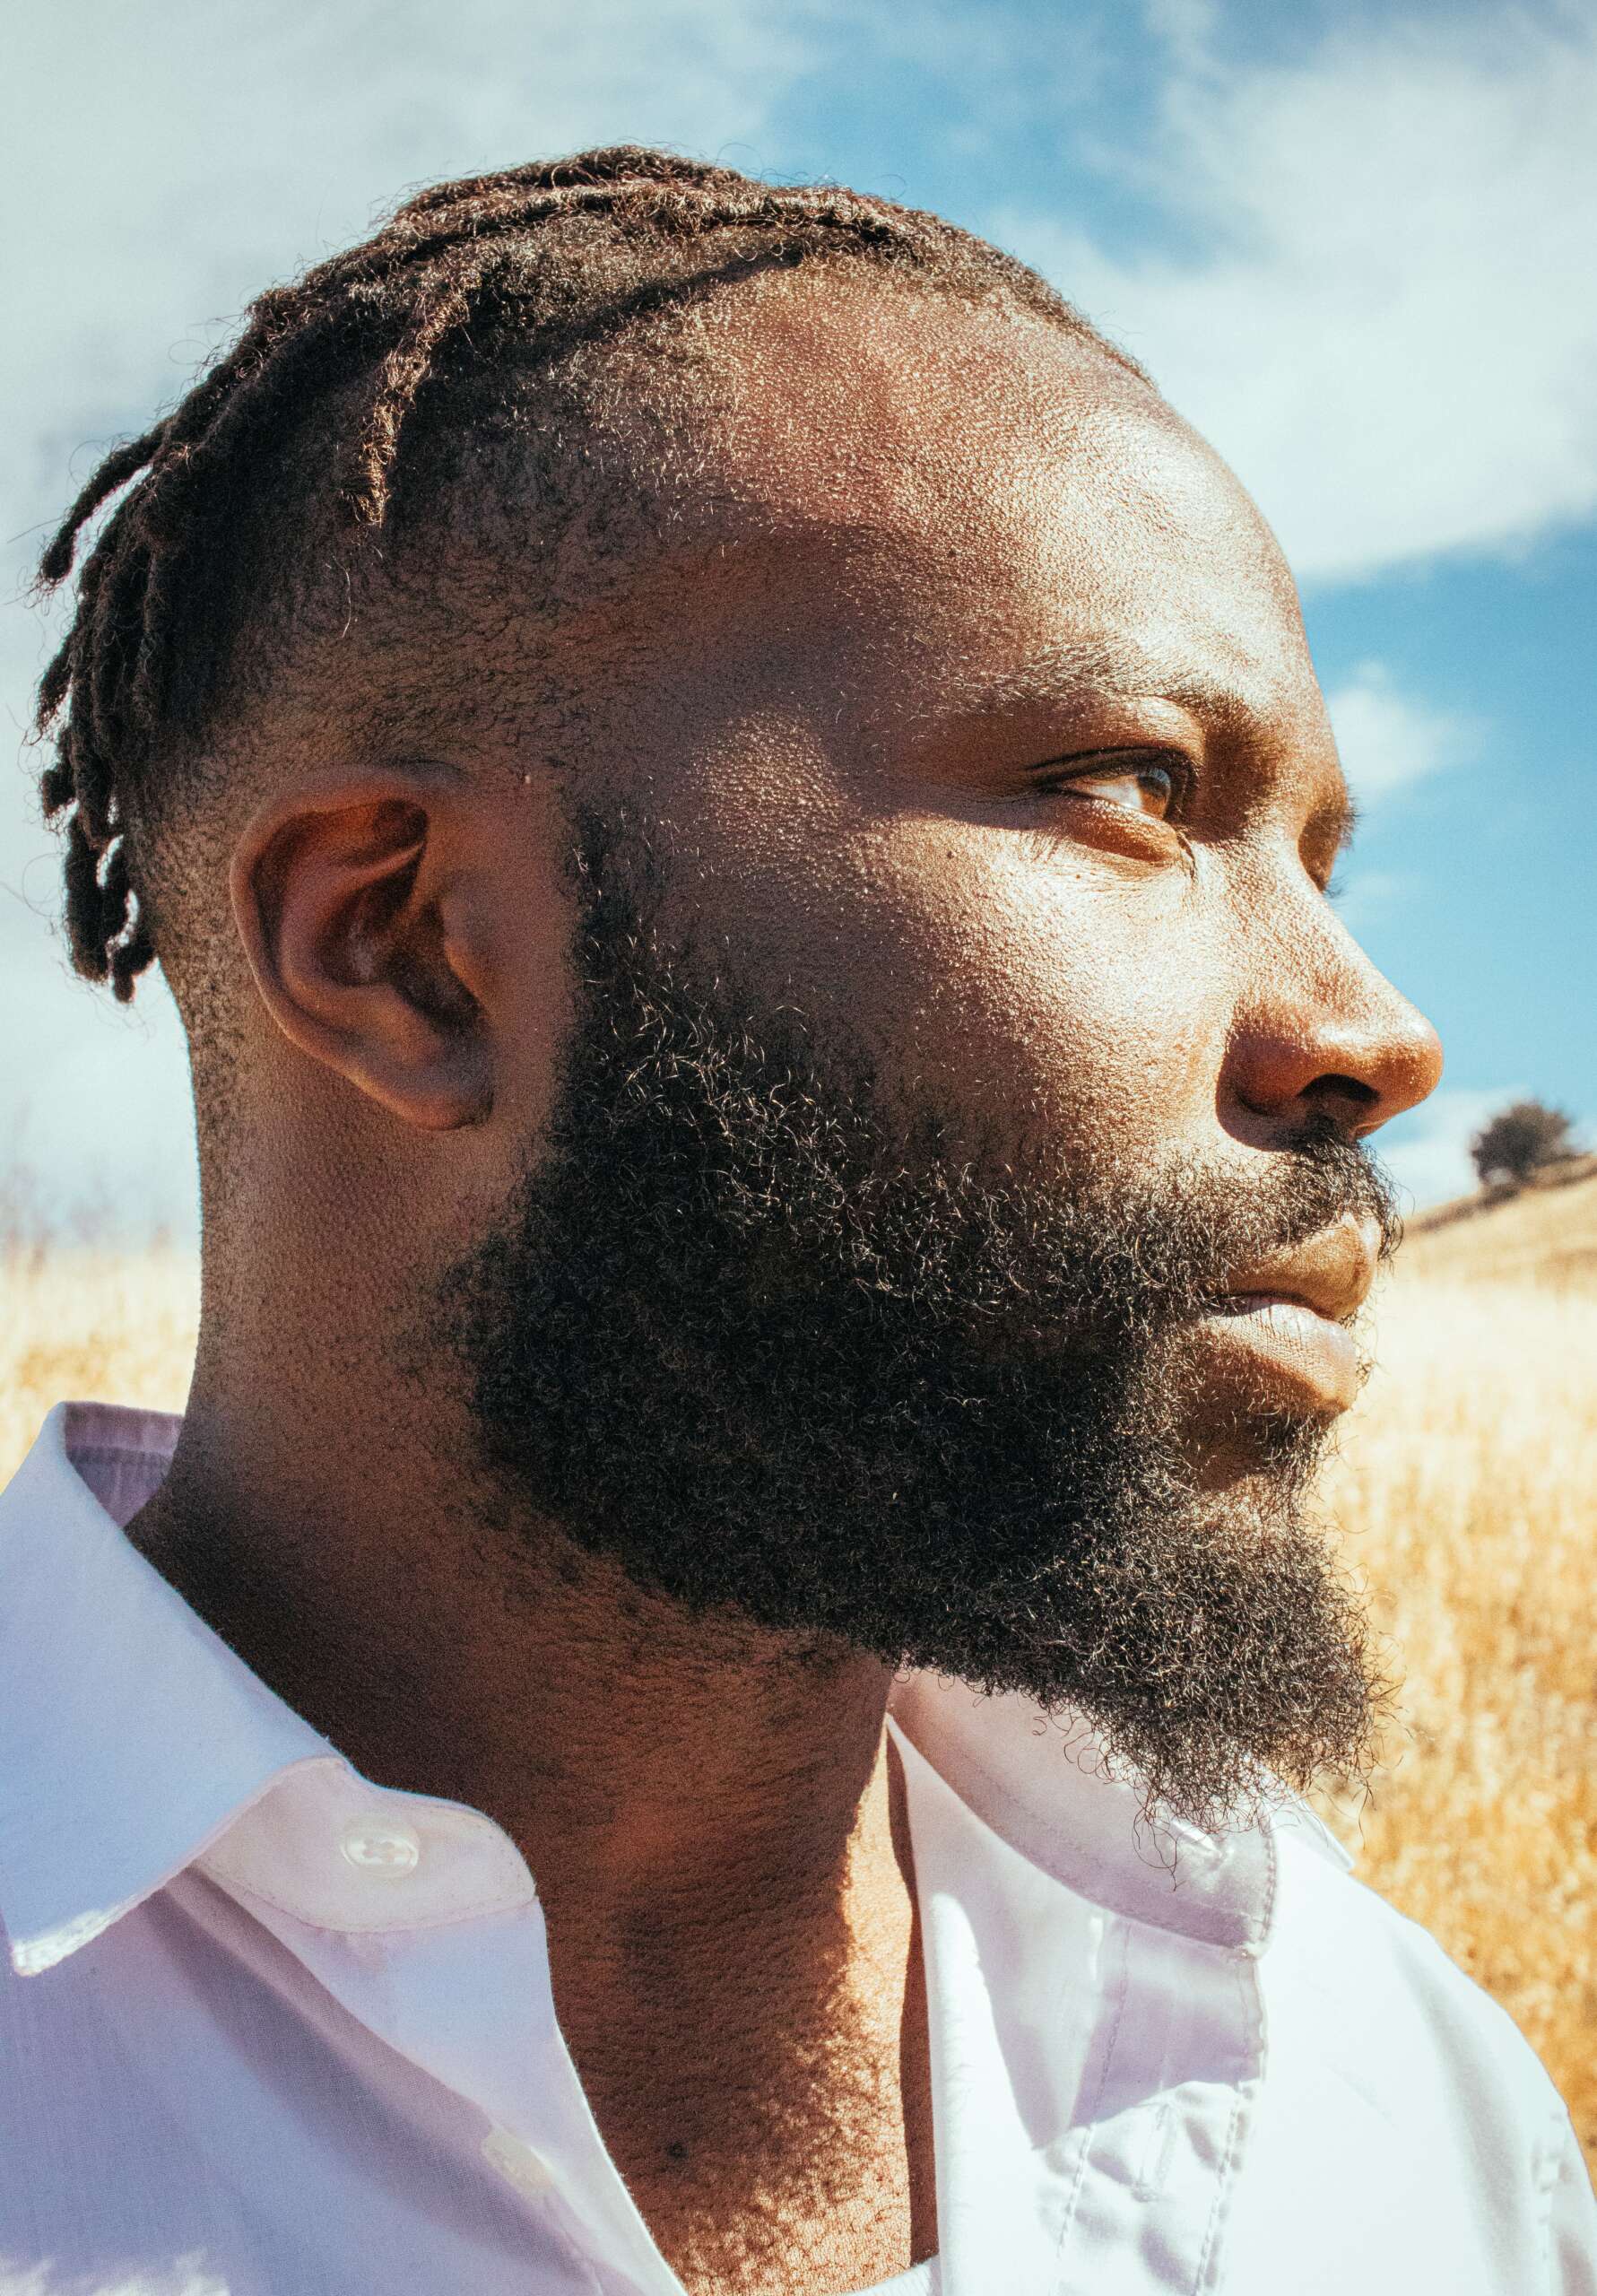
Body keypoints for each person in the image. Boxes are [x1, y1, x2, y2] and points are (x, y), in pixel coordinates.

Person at [2, 146, 1591, 2296]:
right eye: (1132, 787)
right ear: (409, 949)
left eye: (1321, 856)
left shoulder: (1379, 2087)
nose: (1376, 1036)